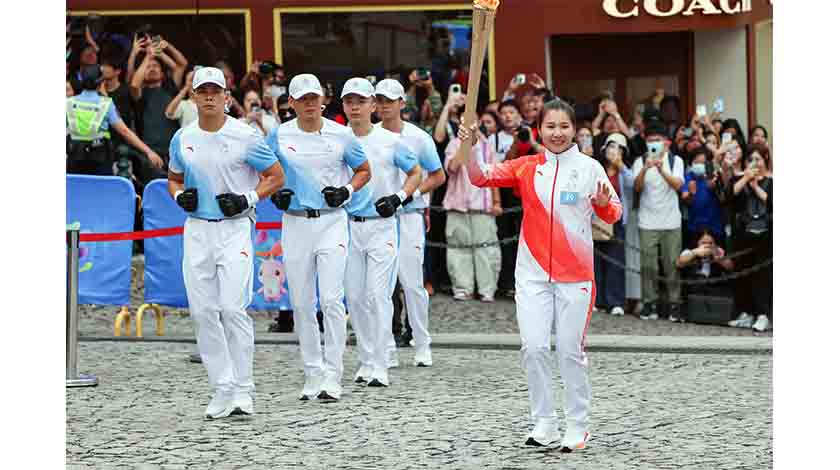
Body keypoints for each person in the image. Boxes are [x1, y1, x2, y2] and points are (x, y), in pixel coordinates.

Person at [459, 99, 622, 451]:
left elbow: (613, 213)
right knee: (533, 348)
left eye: (564, 126)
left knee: (568, 350)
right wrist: (470, 147)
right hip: (532, 274)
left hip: (575, 276)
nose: (557, 133)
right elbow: (479, 176)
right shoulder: (528, 167)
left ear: (574, 129)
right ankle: (544, 422)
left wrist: (602, 203)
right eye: (551, 126)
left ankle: (577, 424)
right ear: (539, 130)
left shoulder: (590, 167)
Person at [167, 67, 286, 419]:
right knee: (203, 312)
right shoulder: (183, 138)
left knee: (233, 308)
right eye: (202, 90)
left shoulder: (245, 135)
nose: (208, 96)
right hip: (197, 229)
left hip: (234, 228)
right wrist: (178, 198)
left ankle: (244, 388)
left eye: (214, 91)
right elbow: (173, 179)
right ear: (193, 96)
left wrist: (247, 198)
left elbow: (275, 176)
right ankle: (222, 387)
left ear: (226, 97)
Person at [266, 73, 372, 401]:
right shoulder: (278, 136)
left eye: (314, 97)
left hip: (331, 222)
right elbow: (266, 172)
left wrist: (346, 190)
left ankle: (333, 373)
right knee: (301, 302)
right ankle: (312, 372)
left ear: (322, 100)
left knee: (330, 299)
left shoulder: (341, 135)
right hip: (295, 222)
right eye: (303, 99)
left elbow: (364, 170)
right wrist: (276, 194)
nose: (310, 104)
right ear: (292, 103)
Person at [340, 77, 422, 387]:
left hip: (382, 225)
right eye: (350, 101)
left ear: (373, 105)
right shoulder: (337, 139)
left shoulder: (390, 141)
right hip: (347, 227)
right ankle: (366, 359)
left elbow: (415, 173)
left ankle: (380, 362)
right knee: (355, 297)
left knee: (378, 295)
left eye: (361, 101)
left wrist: (400, 197)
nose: (355, 107)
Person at [375, 78, 446, 367]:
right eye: (380, 101)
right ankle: (387, 345)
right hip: (377, 218)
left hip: (409, 215)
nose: (384, 106)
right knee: (381, 286)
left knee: (412, 282)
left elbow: (437, 175)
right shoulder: (368, 135)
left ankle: (421, 341)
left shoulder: (418, 137)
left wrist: (409, 194)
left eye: (390, 101)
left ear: (402, 104)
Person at [443, 122, 503, 302]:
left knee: (487, 249)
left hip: (482, 206)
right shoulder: (453, 144)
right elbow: (452, 168)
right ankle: (462, 288)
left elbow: (494, 175)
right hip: (457, 205)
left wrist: (497, 201)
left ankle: (487, 289)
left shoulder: (487, 146)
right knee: (458, 250)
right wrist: (464, 144)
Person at [632, 119, 685, 322]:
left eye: (658, 140)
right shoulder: (640, 161)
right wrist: (646, 168)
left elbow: (678, 185)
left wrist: (662, 168)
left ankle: (674, 304)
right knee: (648, 266)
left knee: (672, 265)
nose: (653, 143)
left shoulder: (675, 161)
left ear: (667, 142)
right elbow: (636, 187)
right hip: (647, 222)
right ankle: (649, 303)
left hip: (671, 222)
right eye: (650, 140)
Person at [66, 65, 163, 175]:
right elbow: (124, 131)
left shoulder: (69, 102)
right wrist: (149, 152)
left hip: (74, 158)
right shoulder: (105, 104)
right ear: (101, 82)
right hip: (99, 159)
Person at [727, 143, 773, 332]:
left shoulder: (772, 180)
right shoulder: (741, 178)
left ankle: (763, 314)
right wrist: (745, 179)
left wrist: (755, 186)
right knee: (743, 273)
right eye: (750, 159)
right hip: (744, 233)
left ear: (765, 160)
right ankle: (745, 313)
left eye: (758, 159)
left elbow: (772, 202)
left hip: (766, 233)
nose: (754, 163)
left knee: (762, 276)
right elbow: (729, 196)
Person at [593, 133, 635, 316]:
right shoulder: (596, 169)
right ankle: (596, 300)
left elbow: (633, 184)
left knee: (616, 262)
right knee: (594, 262)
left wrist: (621, 166)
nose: (614, 151)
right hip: (595, 220)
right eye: (611, 147)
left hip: (616, 221)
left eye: (618, 148)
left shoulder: (624, 172)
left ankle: (615, 301)